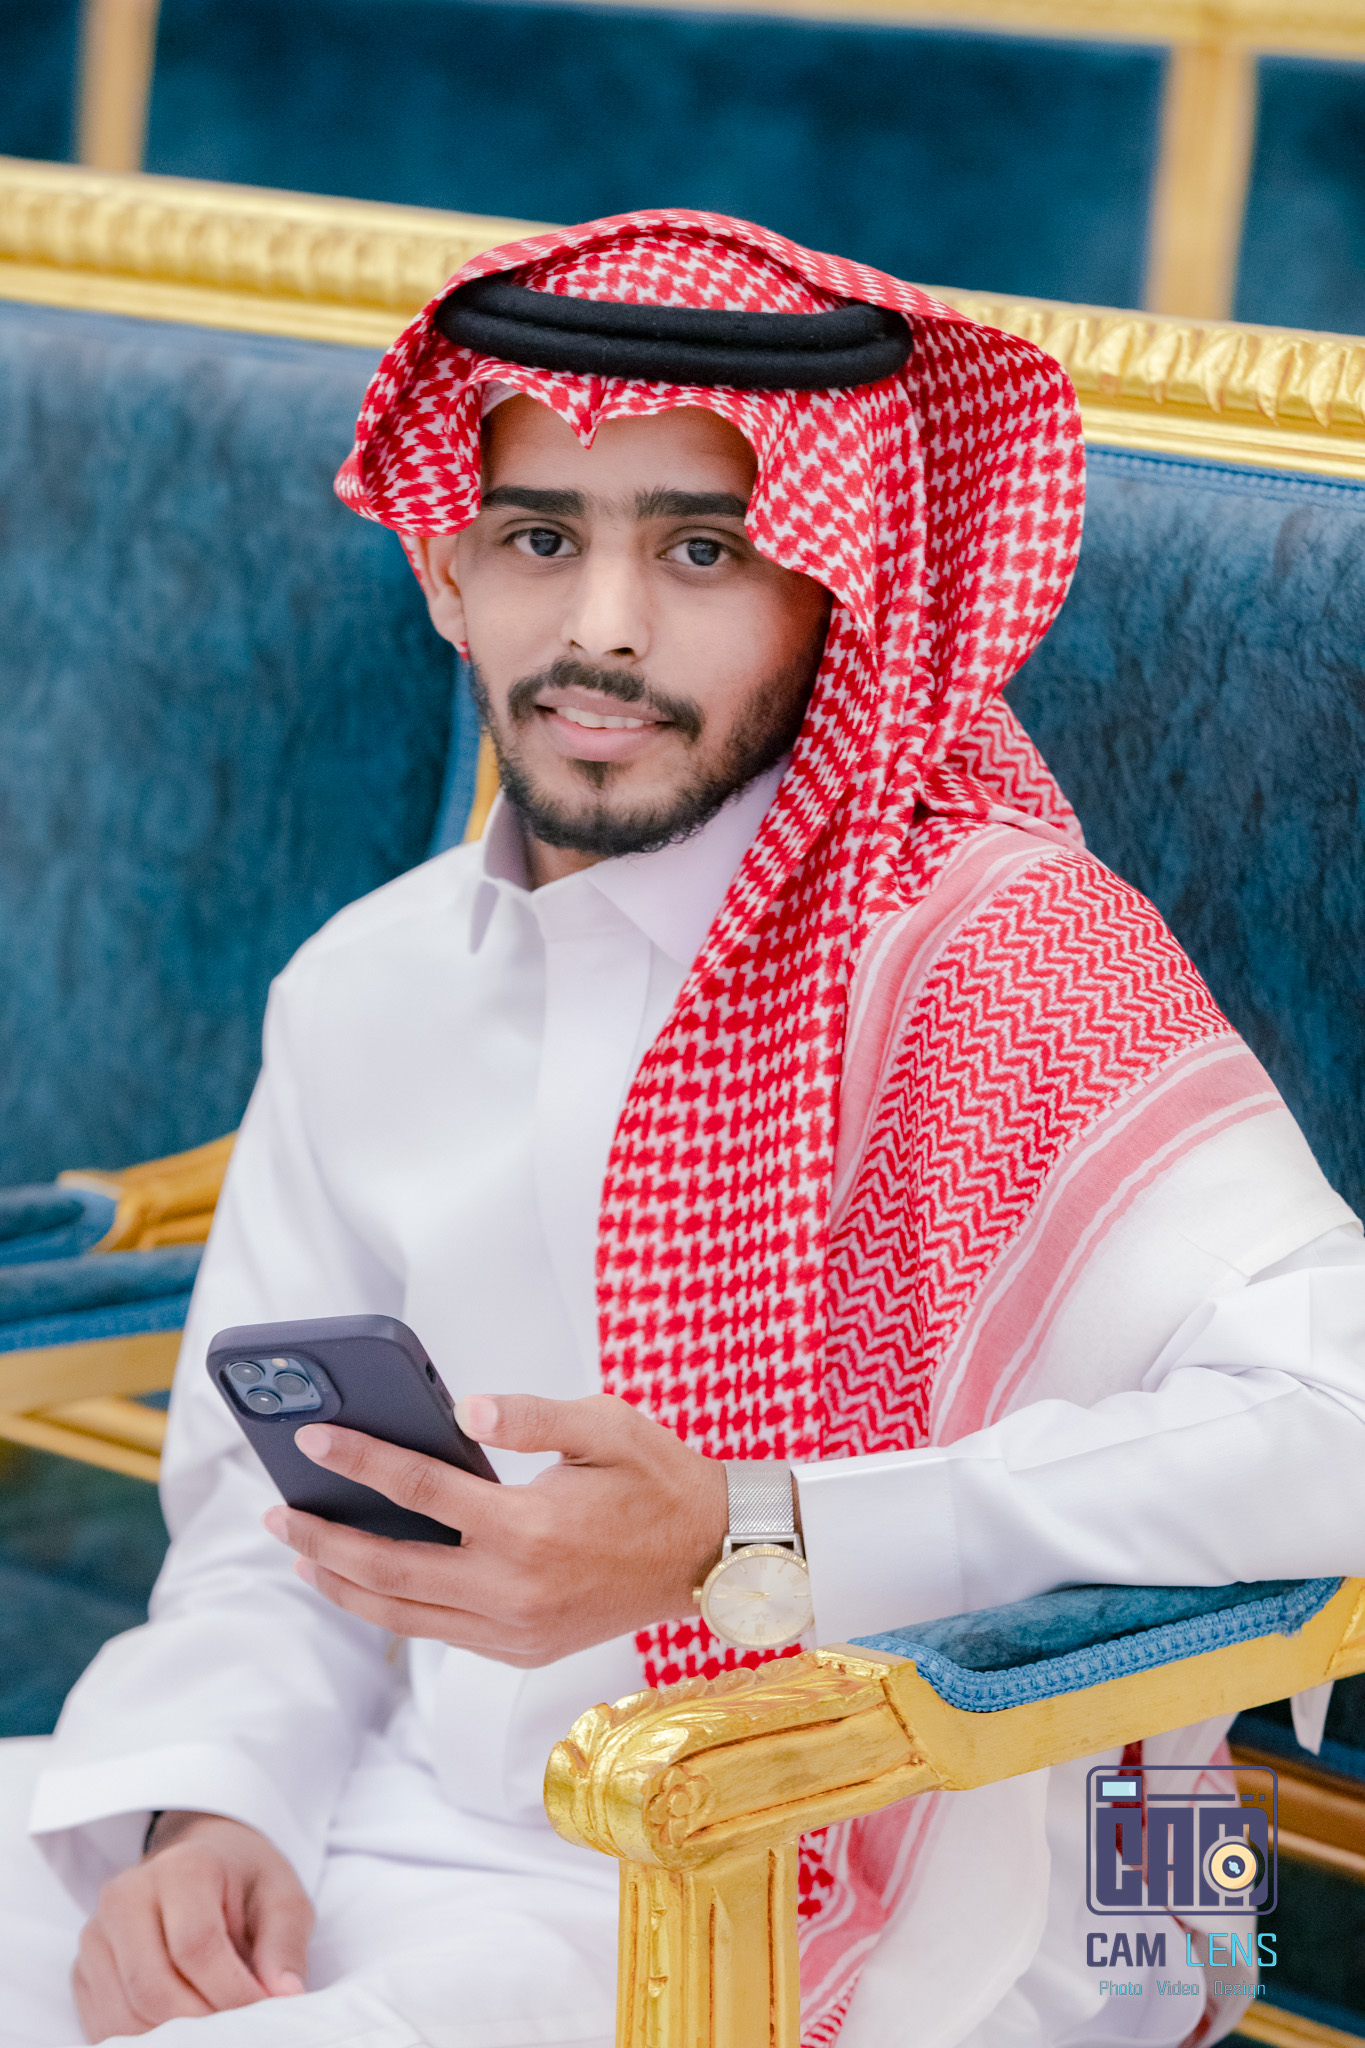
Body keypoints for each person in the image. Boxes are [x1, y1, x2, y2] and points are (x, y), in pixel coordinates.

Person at [2, 209, 1363, 2048]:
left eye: (702, 548)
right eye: (538, 539)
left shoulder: (1003, 961)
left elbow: (1340, 1426)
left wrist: (749, 1536)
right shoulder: (368, 984)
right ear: (441, 566)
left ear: (836, 584)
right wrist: (204, 1804)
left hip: (889, 1900)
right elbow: (273, 1522)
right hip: (381, 1820)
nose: (602, 630)